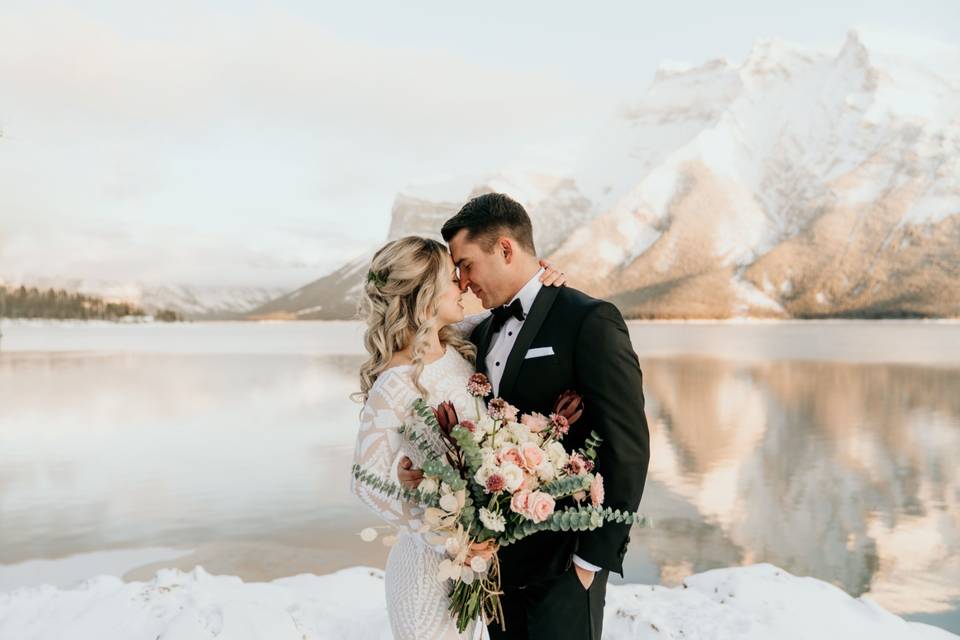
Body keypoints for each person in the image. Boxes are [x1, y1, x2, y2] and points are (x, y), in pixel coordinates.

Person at [398, 193, 650, 639]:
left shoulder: (588, 320)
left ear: (506, 249)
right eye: (455, 270)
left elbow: (627, 447)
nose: (462, 280)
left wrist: (591, 560)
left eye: (467, 264)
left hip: (565, 564)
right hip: (495, 564)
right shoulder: (483, 330)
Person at [349, 234, 566, 640]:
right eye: (451, 278)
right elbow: (365, 483)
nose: (462, 285)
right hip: (425, 576)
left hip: (467, 573)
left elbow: (514, 312)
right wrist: (446, 538)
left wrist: (539, 278)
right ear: (424, 295)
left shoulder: (454, 342)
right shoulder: (394, 382)